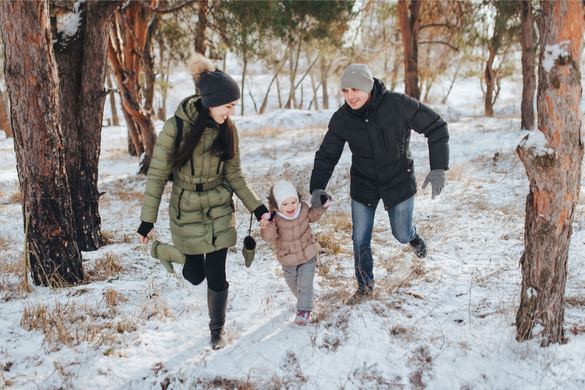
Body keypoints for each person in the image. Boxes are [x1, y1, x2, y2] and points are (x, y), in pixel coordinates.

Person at [137, 53, 268, 349]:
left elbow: (236, 176)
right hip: (186, 209)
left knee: (217, 273)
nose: (231, 112)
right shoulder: (176, 128)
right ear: (211, 101)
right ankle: (164, 251)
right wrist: (148, 220)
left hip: (219, 207)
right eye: (229, 105)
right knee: (195, 275)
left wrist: (258, 209)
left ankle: (216, 330)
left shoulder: (228, 129)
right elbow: (157, 175)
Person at [309, 63, 449, 305]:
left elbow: (436, 126)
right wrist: (317, 187)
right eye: (345, 91)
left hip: (398, 180)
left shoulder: (398, 104)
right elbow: (326, 155)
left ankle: (413, 236)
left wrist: (438, 168)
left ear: (368, 86)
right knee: (360, 238)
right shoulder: (342, 118)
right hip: (364, 183)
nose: (350, 96)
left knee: (401, 233)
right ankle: (365, 287)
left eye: (355, 89)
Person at [259, 181, 331, 325]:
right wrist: (267, 226)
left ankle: (303, 311)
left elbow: (314, 215)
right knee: (293, 284)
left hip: (308, 254)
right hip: (288, 259)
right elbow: (269, 238)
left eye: (293, 202)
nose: (291, 207)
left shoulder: (303, 210)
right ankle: (306, 298)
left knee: (304, 284)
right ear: (277, 205)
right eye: (285, 204)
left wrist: (321, 205)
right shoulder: (275, 218)